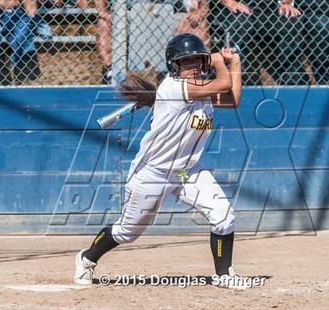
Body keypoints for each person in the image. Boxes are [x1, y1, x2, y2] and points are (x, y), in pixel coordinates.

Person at [74, 33, 248, 289]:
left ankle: (224, 274)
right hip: (153, 173)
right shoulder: (174, 88)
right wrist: (216, 60)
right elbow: (222, 83)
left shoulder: (199, 88)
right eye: (186, 63)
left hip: (188, 172)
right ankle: (87, 258)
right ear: (173, 65)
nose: (192, 67)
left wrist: (235, 64)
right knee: (127, 232)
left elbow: (232, 98)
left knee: (224, 216)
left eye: (196, 62)